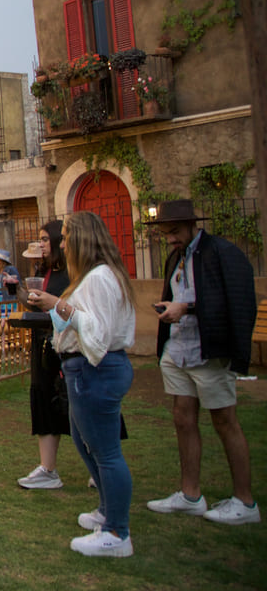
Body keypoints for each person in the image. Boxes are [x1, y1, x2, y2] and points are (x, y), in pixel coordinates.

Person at [26, 211, 136, 557]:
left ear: (84, 239)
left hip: (95, 369)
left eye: (68, 237)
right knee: (85, 442)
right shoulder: (92, 277)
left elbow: (96, 331)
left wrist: (58, 305)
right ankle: (107, 510)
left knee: (106, 452)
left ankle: (117, 532)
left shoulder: (100, 278)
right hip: (81, 369)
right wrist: (51, 308)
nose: (64, 245)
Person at [146, 199, 259, 525]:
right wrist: (172, 307)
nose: (170, 238)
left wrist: (187, 309)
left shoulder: (220, 252)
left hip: (209, 350)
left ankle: (245, 501)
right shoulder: (176, 257)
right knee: (182, 417)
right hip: (179, 348)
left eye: (175, 231)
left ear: (191, 225)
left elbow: (235, 299)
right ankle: (190, 494)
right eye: (166, 233)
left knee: (224, 420)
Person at [17, 221, 72, 490]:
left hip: (67, 345)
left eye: (45, 239)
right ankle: (47, 468)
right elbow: (34, 304)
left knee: (75, 404)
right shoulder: (41, 270)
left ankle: (99, 466)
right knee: (43, 399)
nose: (41, 244)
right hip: (43, 343)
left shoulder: (72, 273)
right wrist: (16, 289)